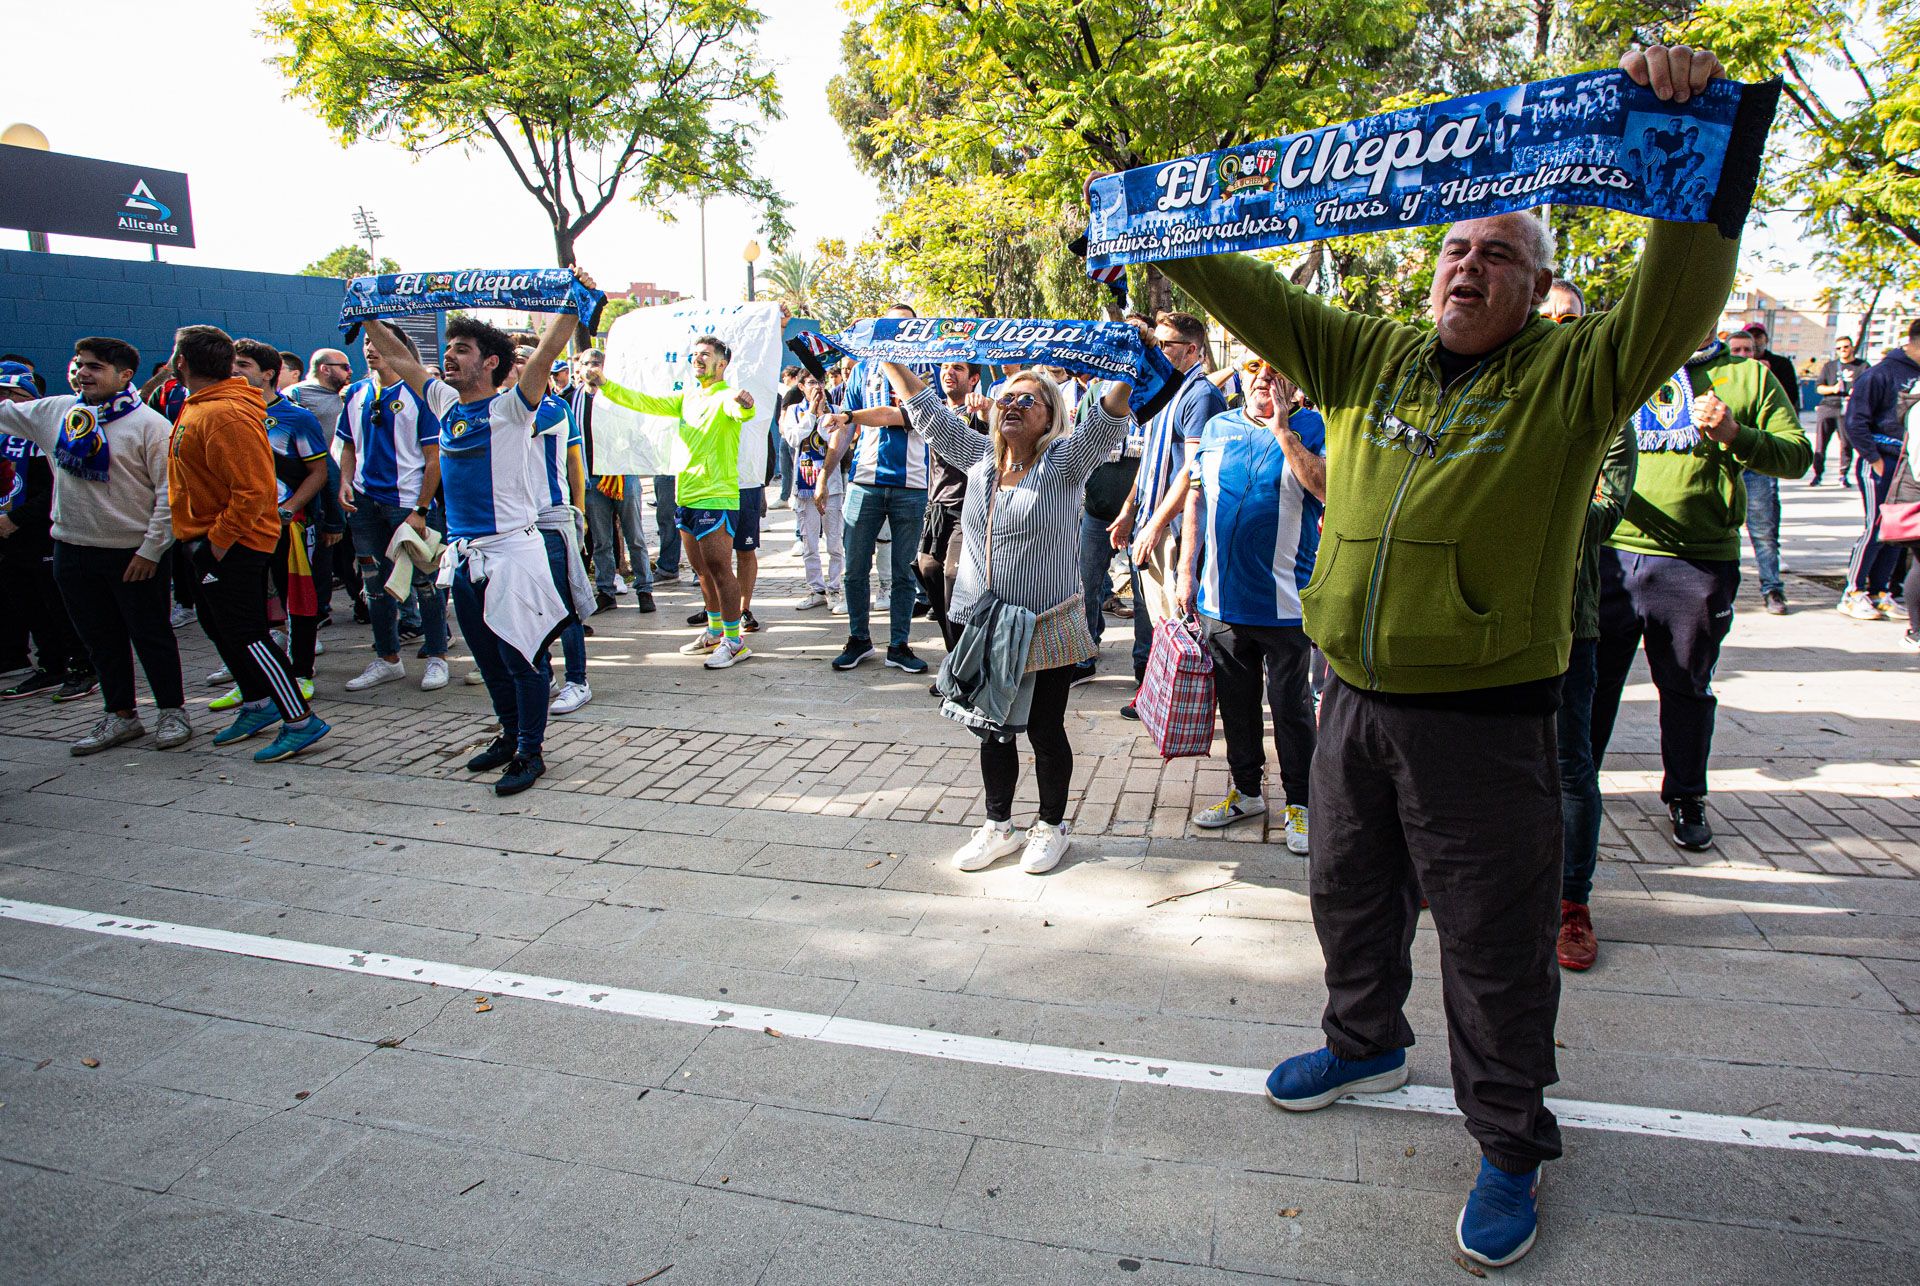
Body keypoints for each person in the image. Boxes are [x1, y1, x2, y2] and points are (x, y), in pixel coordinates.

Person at [1151, 42, 1741, 1270]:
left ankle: (1511, 1141)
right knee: (1347, 897)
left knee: (1492, 943)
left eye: (1500, 254)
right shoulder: (1366, 355)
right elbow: (1245, 296)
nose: (1470, 264)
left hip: (1486, 722)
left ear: (1536, 286)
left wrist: (1689, 140)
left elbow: (1677, 300)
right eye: (1456, 249)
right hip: (1351, 701)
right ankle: (1365, 1041)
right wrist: (1167, 212)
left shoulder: (1575, 374)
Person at [882, 363, 1133, 874]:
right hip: (985, 624)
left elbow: (1107, 416)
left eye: (1028, 401)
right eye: (1006, 400)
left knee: (1044, 729)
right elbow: (926, 413)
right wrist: (892, 354)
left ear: (1049, 418)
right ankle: (999, 826)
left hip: (1046, 621)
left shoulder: (1063, 462)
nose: (1012, 407)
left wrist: (1126, 364)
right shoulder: (977, 459)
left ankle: (1051, 827)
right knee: (991, 728)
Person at [1593, 328, 1807, 851]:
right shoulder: (1629, 364)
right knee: (1589, 684)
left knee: (1687, 685)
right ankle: (1574, 792)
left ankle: (1686, 795)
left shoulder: (1749, 376)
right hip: (1608, 554)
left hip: (1697, 563)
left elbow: (1797, 457)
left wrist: (1736, 433)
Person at [363, 295, 581, 795]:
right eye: (449, 347)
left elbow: (546, 353)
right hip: (464, 557)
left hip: (512, 556)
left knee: (523, 659)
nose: (449, 356)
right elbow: (400, 358)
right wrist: (366, 314)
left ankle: (531, 752)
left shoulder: (512, 407)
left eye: (461, 349)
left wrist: (571, 304)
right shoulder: (443, 402)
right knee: (488, 660)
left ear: (490, 363)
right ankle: (509, 736)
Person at [0, 349, 184, 753]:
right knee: (99, 639)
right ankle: (120, 715)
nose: (83, 373)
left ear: (125, 375)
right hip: (72, 549)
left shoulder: (150, 425)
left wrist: (151, 550)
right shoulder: (58, 411)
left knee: (150, 635)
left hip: (134, 554)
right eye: (80, 365)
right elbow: (5, 413)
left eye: (95, 367)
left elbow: (170, 495)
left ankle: (172, 712)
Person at [1175, 360, 1325, 855]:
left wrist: (1284, 431)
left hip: (1286, 603)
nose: (1264, 375)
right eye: (1253, 366)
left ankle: (1301, 803)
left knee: (1291, 708)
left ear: (1293, 380)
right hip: (1221, 598)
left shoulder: (1315, 426)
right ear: (1239, 375)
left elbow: (1325, 490)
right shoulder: (1217, 427)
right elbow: (1195, 500)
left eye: (1275, 367)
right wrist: (1185, 568)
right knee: (1236, 707)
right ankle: (1247, 792)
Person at [167, 325, 331, 762]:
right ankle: (258, 704)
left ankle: (299, 720)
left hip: (232, 542)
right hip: (205, 538)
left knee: (250, 634)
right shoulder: (201, 405)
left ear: (181, 362)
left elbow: (254, 491)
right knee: (222, 629)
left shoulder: (223, 413)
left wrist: (217, 544)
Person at [1536, 286, 1638, 973]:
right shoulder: (1497, 398)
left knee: (1571, 767)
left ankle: (1572, 904)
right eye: (1543, 324)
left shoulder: (1608, 414)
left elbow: (1605, 512)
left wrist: (1521, 494)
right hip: (1483, 622)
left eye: (1568, 323)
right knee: (1479, 761)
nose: (1555, 335)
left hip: (1569, 622)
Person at [597, 334, 756, 668]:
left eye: (706, 354)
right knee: (701, 570)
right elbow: (644, 402)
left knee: (720, 569)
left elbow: (741, 410)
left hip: (716, 496)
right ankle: (714, 632)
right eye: (695, 354)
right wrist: (605, 384)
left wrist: (746, 404)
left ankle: (734, 640)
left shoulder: (726, 395)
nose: (697, 359)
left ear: (722, 364)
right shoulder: (686, 398)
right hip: (686, 496)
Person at [1108, 312, 1226, 717]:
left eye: (1164, 346)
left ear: (1192, 350)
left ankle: (1187, 710)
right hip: (1150, 525)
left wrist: (1156, 524)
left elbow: (1194, 472)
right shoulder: (1163, 390)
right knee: (1161, 625)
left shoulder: (1201, 395)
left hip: (1176, 531)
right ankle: (1163, 701)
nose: (1155, 352)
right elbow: (1152, 460)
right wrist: (1129, 511)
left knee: (1181, 624)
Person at [336, 326, 452, 691]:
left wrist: (420, 507)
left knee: (426, 584)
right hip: (366, 504)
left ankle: (436, 656)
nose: (371, 349)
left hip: (408, 505)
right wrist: (344, 482)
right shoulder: (355, 393)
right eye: (367, 344)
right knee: (374, 585)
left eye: (378, 344)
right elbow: (348, 446)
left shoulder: (420, 395)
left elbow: (434, 459)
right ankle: (387, 658)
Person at [824, 303, 937, 674]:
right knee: (854, 568)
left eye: (905, 326)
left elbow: (904, 417)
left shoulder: (930, 369)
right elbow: (845, 427)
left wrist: (850, 417)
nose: (896, 332)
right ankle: (858, 638)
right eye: (889, 325)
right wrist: (827, 473)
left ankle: (899, 645)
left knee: (905, 572)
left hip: (913, 485)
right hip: (864, 482)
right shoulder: (862, 371)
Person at [227, 340, 334, 702]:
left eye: (243, 364)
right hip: (240, 528)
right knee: (248, 604)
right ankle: (253, 678)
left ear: (268, 373)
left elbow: (319, 472)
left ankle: (302, 671)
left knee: (299, 601)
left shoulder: (296, 417)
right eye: (232, 364)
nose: (235, 370)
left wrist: (288, 510)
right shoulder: (228, 413)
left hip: (289, 526)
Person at [0, 370, 97, 706]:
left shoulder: (51, 427)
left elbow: (58, 486)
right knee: (28, 604)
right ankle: (50, 665)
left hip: (44, 532)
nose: (6, 403)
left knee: (59, 604)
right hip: (10, 540)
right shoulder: (4, 434)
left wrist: (14, 519)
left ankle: (81, 667)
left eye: (13, 395)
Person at [1839, 318, 1920, 620]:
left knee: (1898, 531)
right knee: (1875, 526)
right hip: (1881, 462)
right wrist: (1874, 458)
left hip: (1909, 466)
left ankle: (1881, 591)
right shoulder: (1880, 374)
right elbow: (1854, 421)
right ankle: (1853, 592)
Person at [573, 347, 656, 614]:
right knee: (601, 540)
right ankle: (606, 592)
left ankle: (645, 590)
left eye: (597, 362)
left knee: (635, 537)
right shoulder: (573, 399)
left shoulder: (617, 396)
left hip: (623, 475)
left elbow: (637, 428)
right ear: (580, 367)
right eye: (587, 363)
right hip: (592, 478)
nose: (592, 367)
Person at [912, 362, 988, 651]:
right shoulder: (936, 412)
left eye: (957, 368)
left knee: (953, 577)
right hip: (937, 510)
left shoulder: (980, 411)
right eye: (944, 367)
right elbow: (893, 414)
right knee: (928, 569)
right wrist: (848, 416)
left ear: (974, 379)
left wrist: (984, 407)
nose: (948, 373)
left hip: (969, 512)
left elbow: (996, 415)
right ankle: (955, 652)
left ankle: (963, 661)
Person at [1725, 329, 1795, 613]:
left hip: (1756, 467)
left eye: (1748, 350)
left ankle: (1772, 588)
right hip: (1725, 464)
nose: (1743, 355)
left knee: (1764, 530)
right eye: (1737, 350)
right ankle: (1725, 592)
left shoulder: (1766, 380)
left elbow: (1788, 433)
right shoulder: (1720, 379)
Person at [784, 373, 846, 611]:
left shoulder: (836, 410)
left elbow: (834, 440)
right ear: (801, 386)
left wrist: (822, 414)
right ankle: (816, 589)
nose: (817, 387)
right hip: (803, 485)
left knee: (834, 542)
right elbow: (793, 438)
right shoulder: (794, 411)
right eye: (811, 383)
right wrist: (810, 413)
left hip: (831, 485)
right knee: (809, 542)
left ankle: (835, 588)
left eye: (820, 382)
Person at [1811, 335, 1864, 487]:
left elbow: (1869, 386)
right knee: (1821, 443)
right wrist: (1833, 389)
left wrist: (1857, 392)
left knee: (1846, 443)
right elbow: (1819, 387)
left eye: (1846, 347)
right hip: (1828, 406)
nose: (1843, 350)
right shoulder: (1829, 366)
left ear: (1852, 347)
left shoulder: (1862, 366)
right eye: (1839, 348)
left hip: (1848, 408)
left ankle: (1843, 475)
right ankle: (1817, 474)